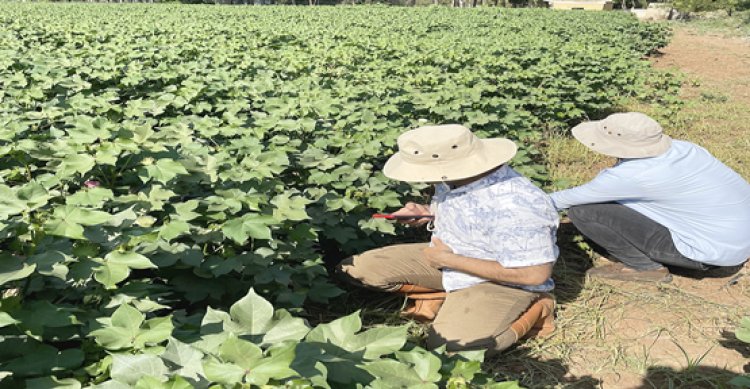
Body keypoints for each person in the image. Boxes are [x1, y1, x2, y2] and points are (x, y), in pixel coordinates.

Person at [337, 124, 559, 354]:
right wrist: (425, 212)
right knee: (356, 269)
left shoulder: (517, 203)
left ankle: (539, 307)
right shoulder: (457, 176)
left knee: (454, 349)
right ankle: (451, 298)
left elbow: (535, 274)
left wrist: (449, 261)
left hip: (506, 281)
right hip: (446, 258)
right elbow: (465, 211)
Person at [550, 112, 750, 283]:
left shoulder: (630, 176)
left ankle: (644, 267)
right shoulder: (686, 149)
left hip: (709, 253)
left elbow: (561, 200)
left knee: (583, 211)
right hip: (739, 240)